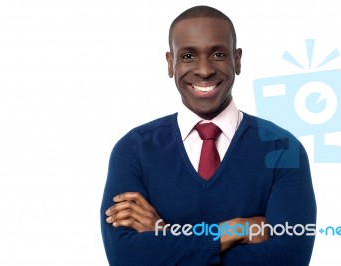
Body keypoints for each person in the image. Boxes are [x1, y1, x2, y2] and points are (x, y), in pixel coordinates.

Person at [101, 5, 316, 266]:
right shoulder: (133, 150)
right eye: (189, 56)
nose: (204, 70)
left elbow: (289, 258)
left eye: (218, 54)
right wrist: (234, 230)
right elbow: (125, 257)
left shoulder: (283, 149)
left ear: (237, 60)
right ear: (171, 63)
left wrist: (166, 236)